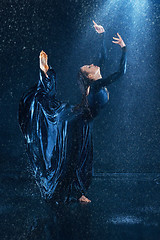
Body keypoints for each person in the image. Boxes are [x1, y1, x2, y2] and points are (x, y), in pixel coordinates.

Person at [19, 21, 127, 203]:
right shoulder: (96, 85)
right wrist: (124, 49)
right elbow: (121, 72)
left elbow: (102, 58)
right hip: (76, 121)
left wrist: (102, 36)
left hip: (80, 119)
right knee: (73, 158)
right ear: (90, 77)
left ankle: (76, 192)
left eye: (90, 65)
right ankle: (71, 192)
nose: (92, 64)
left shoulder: (95, 81)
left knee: (77, 158)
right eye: (89, 67)